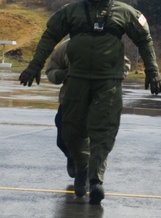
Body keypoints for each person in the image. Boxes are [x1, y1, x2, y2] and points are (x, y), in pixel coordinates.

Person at [19, 0, 161, 205]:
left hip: (108, 82)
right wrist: (35, 65)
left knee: (103, 131)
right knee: (71, 130)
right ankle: (81, 167)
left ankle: (96, 180)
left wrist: (153, 70)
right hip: (77, 80)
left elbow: (144, 40)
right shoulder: (71, 12)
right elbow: (49, 37)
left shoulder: (125, 13)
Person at [45, 38, 131, 179]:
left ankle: (86, 172)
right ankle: (72, 157)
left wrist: (111, 76)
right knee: (62, 141)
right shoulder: (66, 46)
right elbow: (51, 70)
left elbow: (125, 64)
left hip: (98, 102)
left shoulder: (107, 43)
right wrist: (62, 74)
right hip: (70, 102)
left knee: (93, 141)